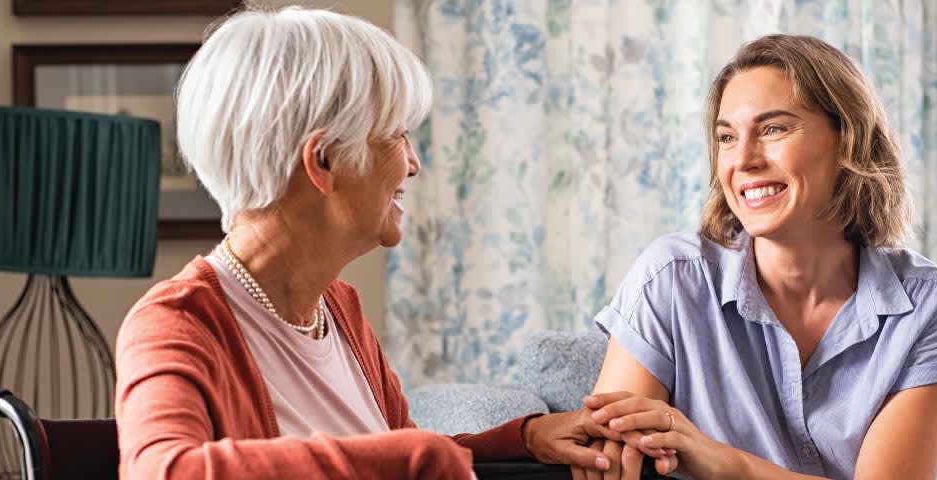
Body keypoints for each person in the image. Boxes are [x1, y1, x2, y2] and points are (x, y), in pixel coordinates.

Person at [114, 7, 615, 479]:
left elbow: (392, 447)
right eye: (397, 136)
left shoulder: (338, 309)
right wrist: (414, 455)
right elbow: (164, 471)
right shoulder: (177, 323)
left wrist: (524, 436)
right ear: (325, 160)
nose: (413, 164)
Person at [579, 35, 937, 480]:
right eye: (727, 137)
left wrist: (724, 463)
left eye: (774, 128)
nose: (744, 160)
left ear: (848, 141)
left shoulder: (936, 308)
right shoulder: (672, 280)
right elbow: (610, 460)